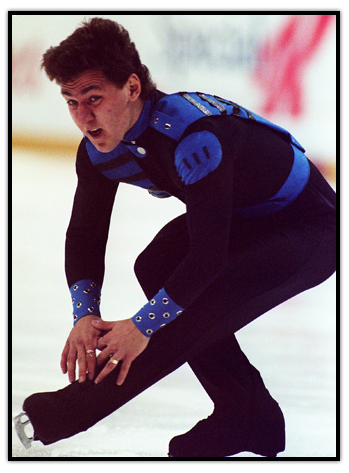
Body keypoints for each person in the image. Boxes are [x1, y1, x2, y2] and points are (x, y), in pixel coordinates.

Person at [14, 17, 336, 457]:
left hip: (310, 228)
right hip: (249, 218)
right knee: (157, 265)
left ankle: (72, 411)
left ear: (131, 88)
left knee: (201, 302)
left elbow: (206, 259)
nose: (83, 118)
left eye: (93, 99)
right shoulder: (97, 151)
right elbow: (86, 232)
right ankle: (248, 415)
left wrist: (141, 326)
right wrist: (84, 314)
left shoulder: (192, 137)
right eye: (71, 102)